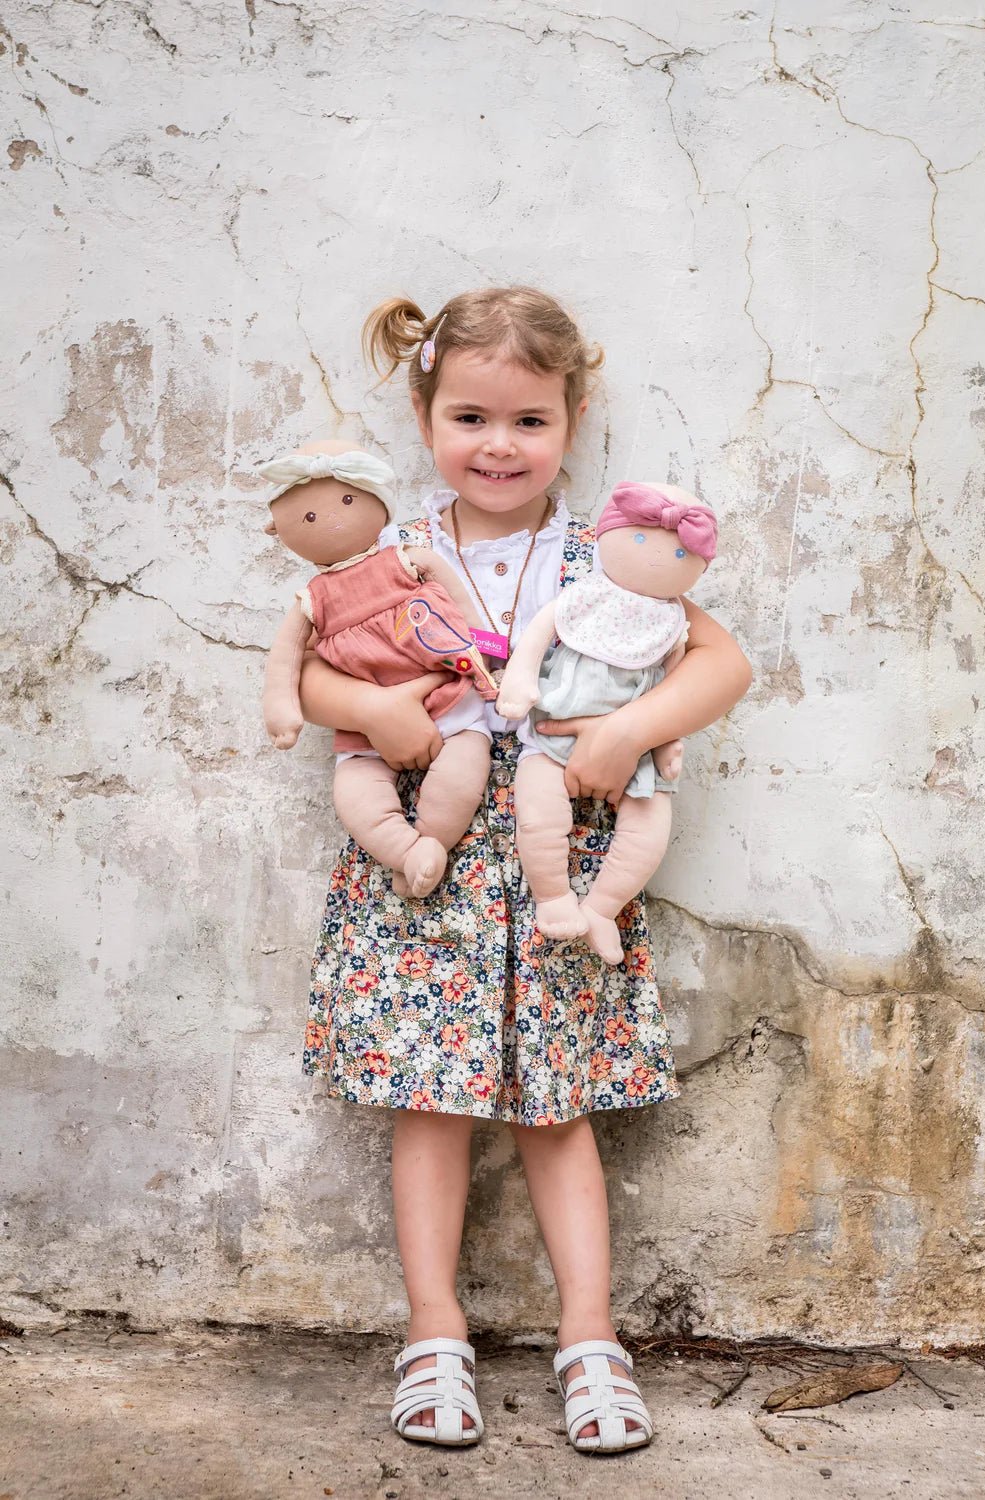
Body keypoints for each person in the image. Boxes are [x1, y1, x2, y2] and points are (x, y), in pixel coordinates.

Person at [297, 287, 752, 1453]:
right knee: (430, 1100)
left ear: (574, 414)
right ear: (424, 411)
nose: (498, 445)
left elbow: (721, 662)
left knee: (556, 1110)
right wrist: (372, 712)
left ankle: (589, 1338)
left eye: (529, 421)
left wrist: (623, 732)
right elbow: (308, 671)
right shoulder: (394, 553)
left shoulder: (609, 556)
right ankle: (433, 1332)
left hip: (563, 856)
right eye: (470, 417)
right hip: (427, 855)